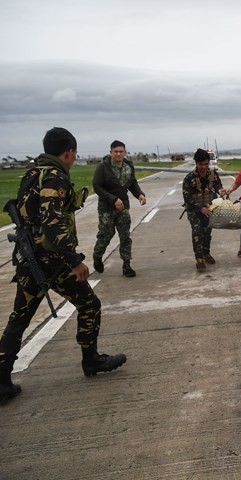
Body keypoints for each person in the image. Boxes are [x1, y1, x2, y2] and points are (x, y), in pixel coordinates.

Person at [0, 127, 127, 402]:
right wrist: (73, 261)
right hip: (51, 261)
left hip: (29, 258)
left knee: (19, 318)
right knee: (89, 304)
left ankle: (1, 379)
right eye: (74, 154)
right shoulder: (55, 177)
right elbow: (52, 222)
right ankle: (91, 359)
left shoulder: (31, 174)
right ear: (69, 152)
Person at [92, 140, 147, 277]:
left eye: (121, 151)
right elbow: (97, 186)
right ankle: (97, 256)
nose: (118, 154)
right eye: (115, 152)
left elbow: (132, 183)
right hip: (106, 208)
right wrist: (113, 199)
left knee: (125, 236)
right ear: (111, 152)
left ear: (125, 152)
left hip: (123, 208)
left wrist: (139, 194)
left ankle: (126, 265)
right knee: (106, 235)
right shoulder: (103, 167)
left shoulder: (128, 166)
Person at [182, 148, 224, 272]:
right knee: (197, 231)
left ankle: (206, 253)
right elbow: (187, 197)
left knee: (207, 232)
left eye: (206, 164)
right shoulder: (189, 178)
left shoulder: (212, 174)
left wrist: (220, 191)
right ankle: (199, 259)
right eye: (201, 164)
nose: (204, 167)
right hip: (194, 210)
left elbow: (217, 186)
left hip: (209, 208)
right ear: (196, 163)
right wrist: (200, 208)